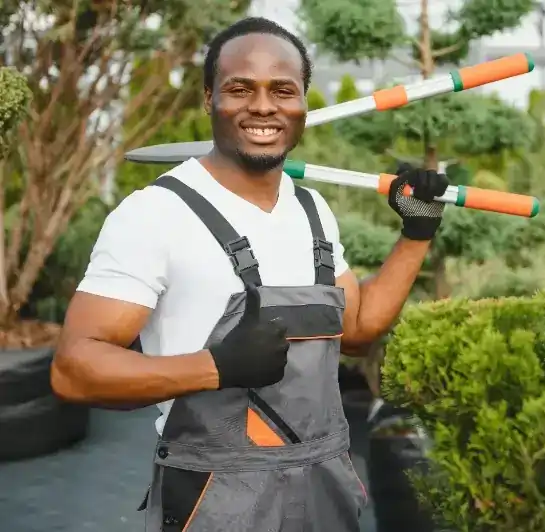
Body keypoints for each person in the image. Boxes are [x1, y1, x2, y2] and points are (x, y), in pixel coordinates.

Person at [50, 16, 449, 532]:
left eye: (282, 90)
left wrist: (415, 235)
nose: (263, 106)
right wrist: (213, 368)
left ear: (303, 103)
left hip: (325, 484)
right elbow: (74, 369)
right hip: (217, 495)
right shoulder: (155, 214)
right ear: (208, 99)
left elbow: (356, 330)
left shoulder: (312, 210)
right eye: (240, 89)